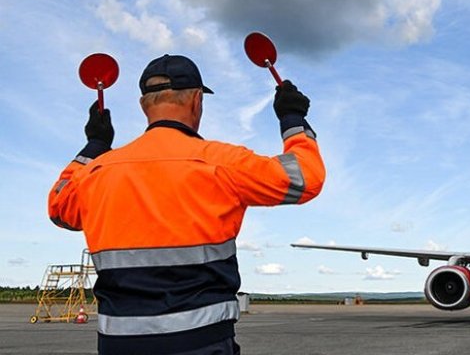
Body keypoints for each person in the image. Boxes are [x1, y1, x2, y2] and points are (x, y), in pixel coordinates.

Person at [48, 54, 325, 355]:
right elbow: (306, 179)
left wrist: (95, 146)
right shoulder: (221, 162)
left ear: (144, 105)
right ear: (196, 100)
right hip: (202, 343)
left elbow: (59, 206)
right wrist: (293, 121)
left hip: (118, 345)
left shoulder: (96, 173)